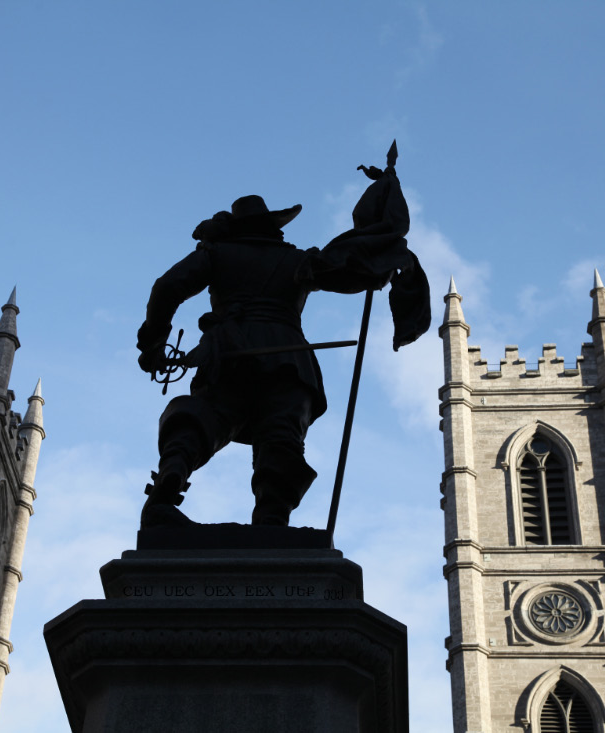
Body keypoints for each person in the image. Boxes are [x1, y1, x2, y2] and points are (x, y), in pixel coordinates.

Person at [137, 162, 429, 529]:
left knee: (207, 416)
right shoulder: (296, 259)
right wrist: (382, 251)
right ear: (272, 228)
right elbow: (351, 269)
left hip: (229, 353)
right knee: (280, 437)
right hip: (288, 359)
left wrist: (153, 343)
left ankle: (172, 477)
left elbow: (166, 288)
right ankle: (272, 521)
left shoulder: (216, 254)